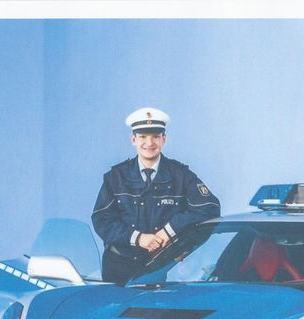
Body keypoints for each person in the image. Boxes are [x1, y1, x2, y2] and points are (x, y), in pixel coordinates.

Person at [92, 107, 221, 284]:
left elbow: (210, 208)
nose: (149, 143)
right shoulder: (116, 177)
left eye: (155, 136)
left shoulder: (181, 175)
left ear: (164, 139)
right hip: (118, 265)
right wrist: (138, 238)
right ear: (133, 139)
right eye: (143, 137)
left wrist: (169, 231)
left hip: (161, 265)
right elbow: (102, 219)